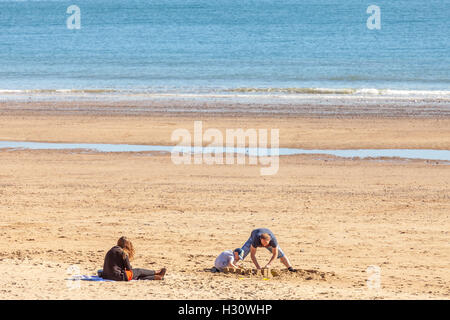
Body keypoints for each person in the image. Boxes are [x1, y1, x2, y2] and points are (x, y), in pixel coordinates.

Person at [102, 236, 166, 281]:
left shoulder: (111, 250)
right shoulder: (123, 252)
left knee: (136, 276)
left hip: (106, 275)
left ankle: (156, 277)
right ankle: (156, 272)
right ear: (127, 245)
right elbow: (129, 269)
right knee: (138, 271)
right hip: (118, 276)